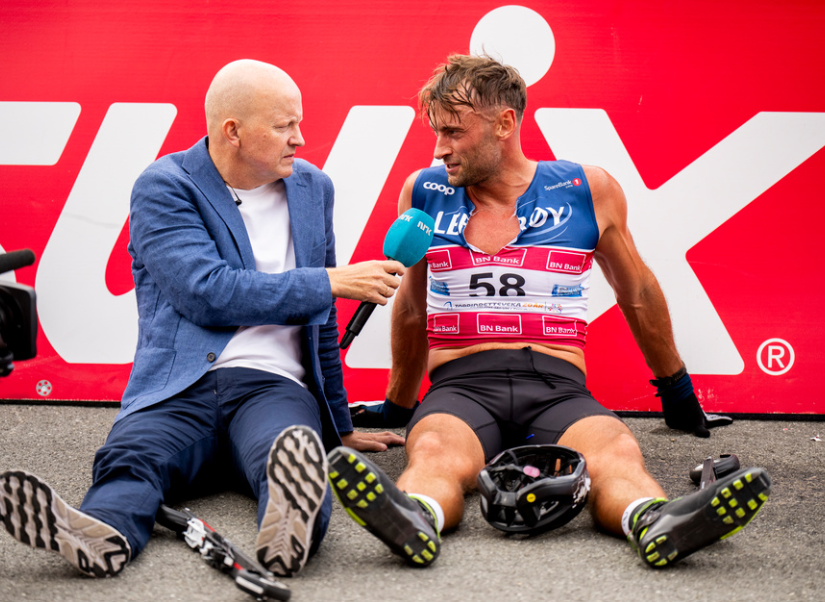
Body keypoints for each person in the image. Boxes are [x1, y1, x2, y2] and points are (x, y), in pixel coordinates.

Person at [328, 54, 771, 569]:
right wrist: (398, 409)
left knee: (616, 454)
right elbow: (411, 306)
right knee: (432, 455)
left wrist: (677, 393)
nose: (439, 148)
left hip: (558, 387)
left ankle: (656, 521)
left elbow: (638, 292)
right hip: (461, 387)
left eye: (452, 132)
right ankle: (414, 516)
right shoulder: (424, 191)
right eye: (436, 132)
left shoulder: (587, 189)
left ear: (504, 123)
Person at [0, 59, 404, 579]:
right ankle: (100, 534)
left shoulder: (312, 189)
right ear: (232, 131)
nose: (300, 139)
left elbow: (320, 321)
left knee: (289, 457)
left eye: (298, 123)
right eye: (284, 126)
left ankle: (288, 532)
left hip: (273, 384)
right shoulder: (165, 186)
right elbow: (206, 292)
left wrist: (340, 427)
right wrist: (328, 280)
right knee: (131, 458)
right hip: (179, 384)